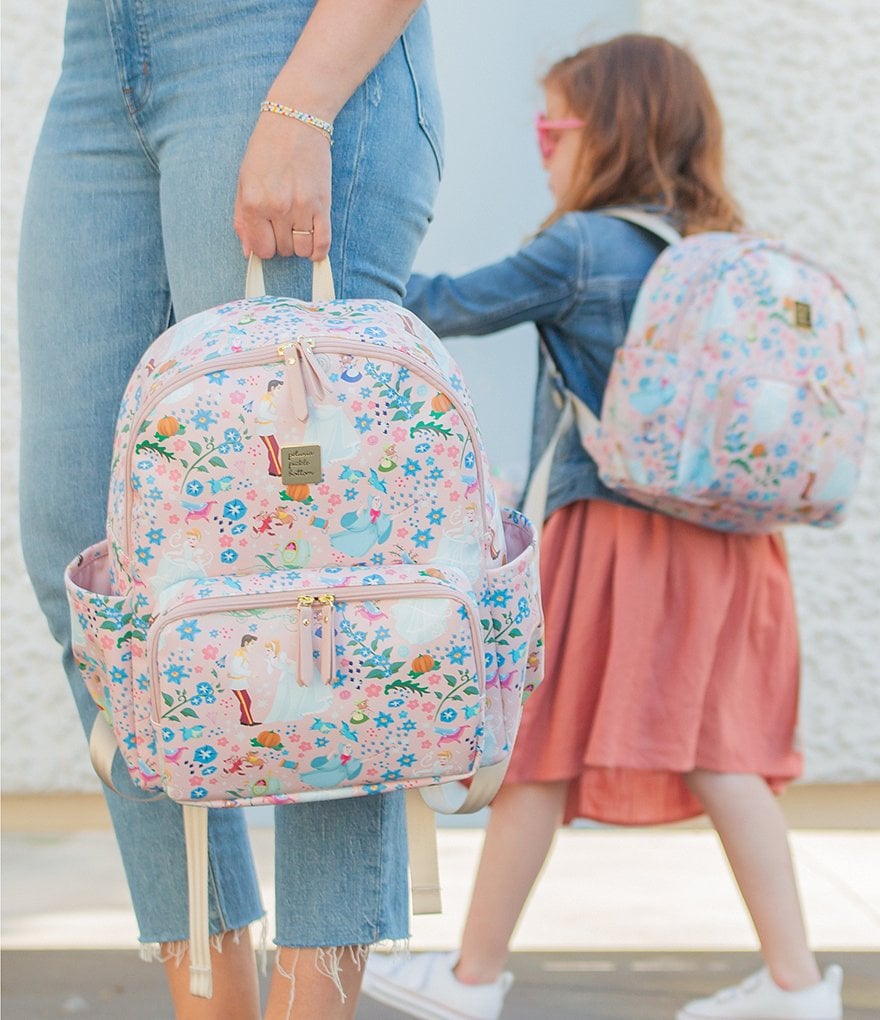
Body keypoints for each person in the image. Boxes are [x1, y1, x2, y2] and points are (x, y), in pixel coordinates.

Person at [361, 32, 843, 1020]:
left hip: (621, 539)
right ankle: (797, 986)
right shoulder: (717, 244)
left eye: (553, 128)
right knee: (724, 754)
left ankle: (471, 978)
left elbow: (438, 308)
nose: (541, 147)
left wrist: (330, 282)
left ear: (609, 131)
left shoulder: (582, 247)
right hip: (736, 546)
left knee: (540, 745)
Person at [17, 1, 442, 1018]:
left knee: (311, 575)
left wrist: (305, 103)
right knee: (92, 558)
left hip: (279, 38)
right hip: (100, 53)